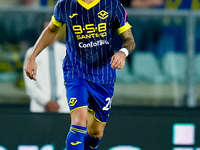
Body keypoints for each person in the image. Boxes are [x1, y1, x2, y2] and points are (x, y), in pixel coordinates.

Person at [24, 0, 135, 149]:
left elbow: (129, 40)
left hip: (103, 75)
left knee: (96, 133)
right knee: (79, 122)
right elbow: (51, 30)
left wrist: (123, 52)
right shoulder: (65, 5)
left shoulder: (113, 5)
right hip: (76, 71)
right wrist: (32, 56)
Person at [23, 22, 70, 113]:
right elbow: (30, 84)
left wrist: (59, 102)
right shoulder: (32, 53)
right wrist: (46, 102)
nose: (52, 34)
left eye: (54, 31)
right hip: (39, 107)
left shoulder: (66, 51)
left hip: (63, 106)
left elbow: (72, 79)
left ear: (59, 33)